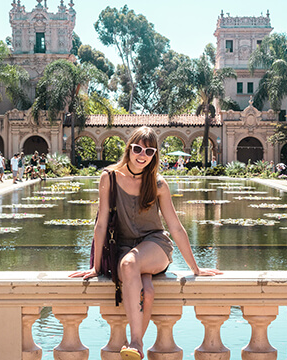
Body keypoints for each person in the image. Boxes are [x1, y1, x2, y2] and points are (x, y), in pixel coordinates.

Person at [69, 126, 221, 359]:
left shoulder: (158, 183)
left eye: (149, 151)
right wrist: (95, 266)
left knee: (130, 264)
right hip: (123, 246)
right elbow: (100, 225)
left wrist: (196, 268)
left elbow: (176, 227)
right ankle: (137, 346)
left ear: (155, 155)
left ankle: (136, 342)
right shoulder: (109, 177)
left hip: (155, 245)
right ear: (129, 148)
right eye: (138, 148)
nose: (143, 155)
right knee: (147, 292)